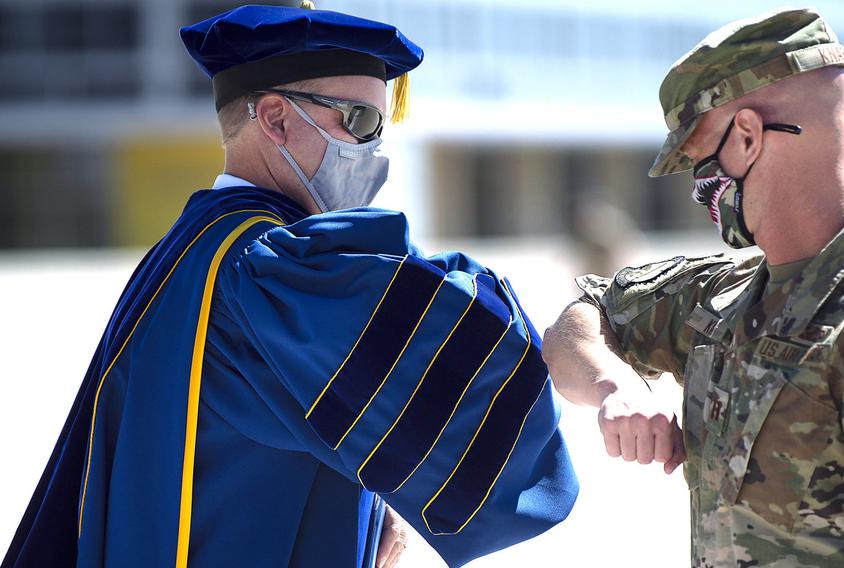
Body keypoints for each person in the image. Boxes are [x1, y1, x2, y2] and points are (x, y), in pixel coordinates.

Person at [2, 4, 577, 567]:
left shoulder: (191, 245)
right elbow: (469, 353)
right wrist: (601, 326)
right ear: (275, 118)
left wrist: (376, 510)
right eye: (359, 121)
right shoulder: (267, 271)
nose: (372, 150)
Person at [543, 7, 844, 568]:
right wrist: (613, 386)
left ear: (745, 136)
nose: (701, 187)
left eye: (698, 161)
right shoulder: (722, 296)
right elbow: (585, 315)